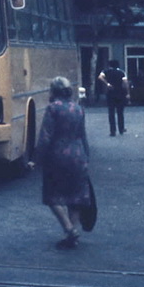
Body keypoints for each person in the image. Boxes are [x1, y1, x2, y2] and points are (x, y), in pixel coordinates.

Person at [31, 76, 90, 248]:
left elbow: (45, 137)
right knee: (76, 196)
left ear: (53, 91)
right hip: (78, 155)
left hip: (58, 156)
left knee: (53, 195)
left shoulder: (52, 108)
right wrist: (87, 156)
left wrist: (35, 160)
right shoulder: (78, 108)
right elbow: (83, 135)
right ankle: (73, 235)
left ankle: (69, 229)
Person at [98, 59, 129, 136]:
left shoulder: (106, 71)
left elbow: (100, 77)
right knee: (120, 112)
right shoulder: (122, 72)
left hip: (110, 93)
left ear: (110, 65)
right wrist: (127, 93)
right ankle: (121, 129)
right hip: (120, 93)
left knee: (111, 113)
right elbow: (125, 83)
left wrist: (107, 83)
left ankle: (113, 131)